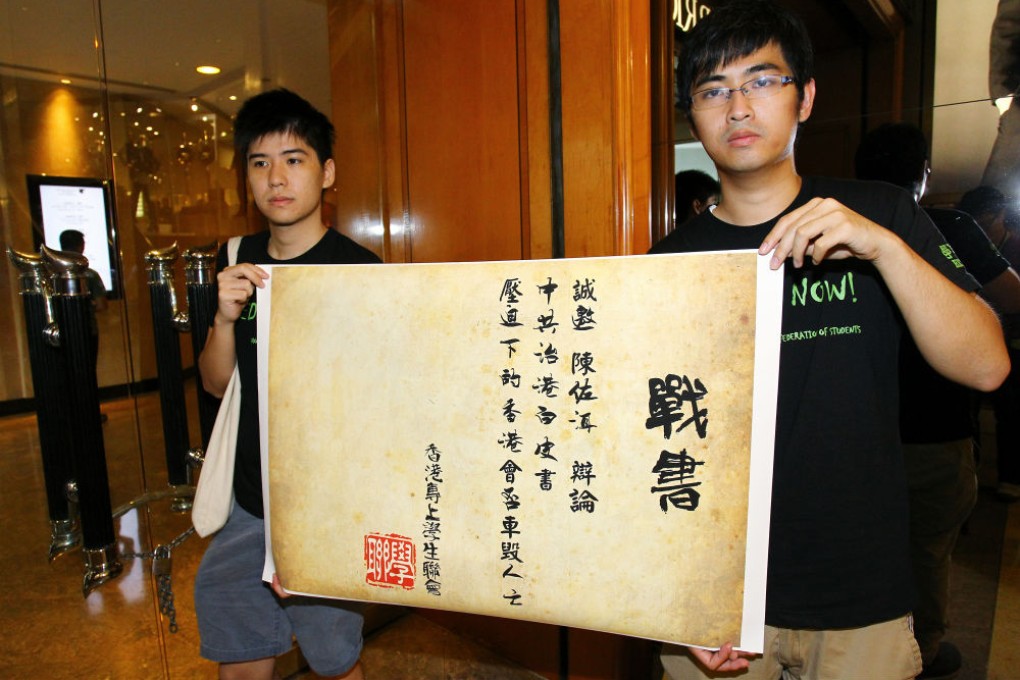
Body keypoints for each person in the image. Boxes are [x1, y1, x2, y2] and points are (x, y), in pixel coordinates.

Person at [649, 2, 1009, 678]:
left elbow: (987, 364)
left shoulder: (880, 214)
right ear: (691, 112)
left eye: (762, 81)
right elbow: (648, 450)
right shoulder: (667, 264)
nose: (737, 107)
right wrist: (676, 599)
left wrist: (886, 251)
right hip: (722, 600)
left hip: (861, 593)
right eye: (712, 90)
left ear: (806, 98)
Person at [195, 88, 380, 680]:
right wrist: (225, 319)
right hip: (247, 502)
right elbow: (217, 385)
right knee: (239, 648)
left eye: (294, 159)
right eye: (259, 162)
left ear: (326, 173)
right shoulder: (238, 259)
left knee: (333, 656)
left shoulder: (362, 273)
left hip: (323, 507)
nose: (276, 177)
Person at [855, 122, 1020, 679]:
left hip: (851, 432)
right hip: (934, 427)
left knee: (861, 546)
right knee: (928, 550)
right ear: (922, 175)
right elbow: (1010, 300)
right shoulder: (949, 226)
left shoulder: (831, 228)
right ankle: (922, 648)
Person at [959, 185, 1020, 502]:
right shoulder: (962, 243)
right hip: (974, 343)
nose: (980, 229)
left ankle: (1011, 478)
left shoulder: (1014, 249)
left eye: (987, 221)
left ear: (1002, 217)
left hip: (1012, 344)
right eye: (976, 222)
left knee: (1011, 412)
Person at [58, 229, 108, 369]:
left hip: (62, 330)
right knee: (87, 370)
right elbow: (101, 305)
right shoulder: (90, 275)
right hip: (86, 329)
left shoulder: (53, 275)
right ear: (81, 246)